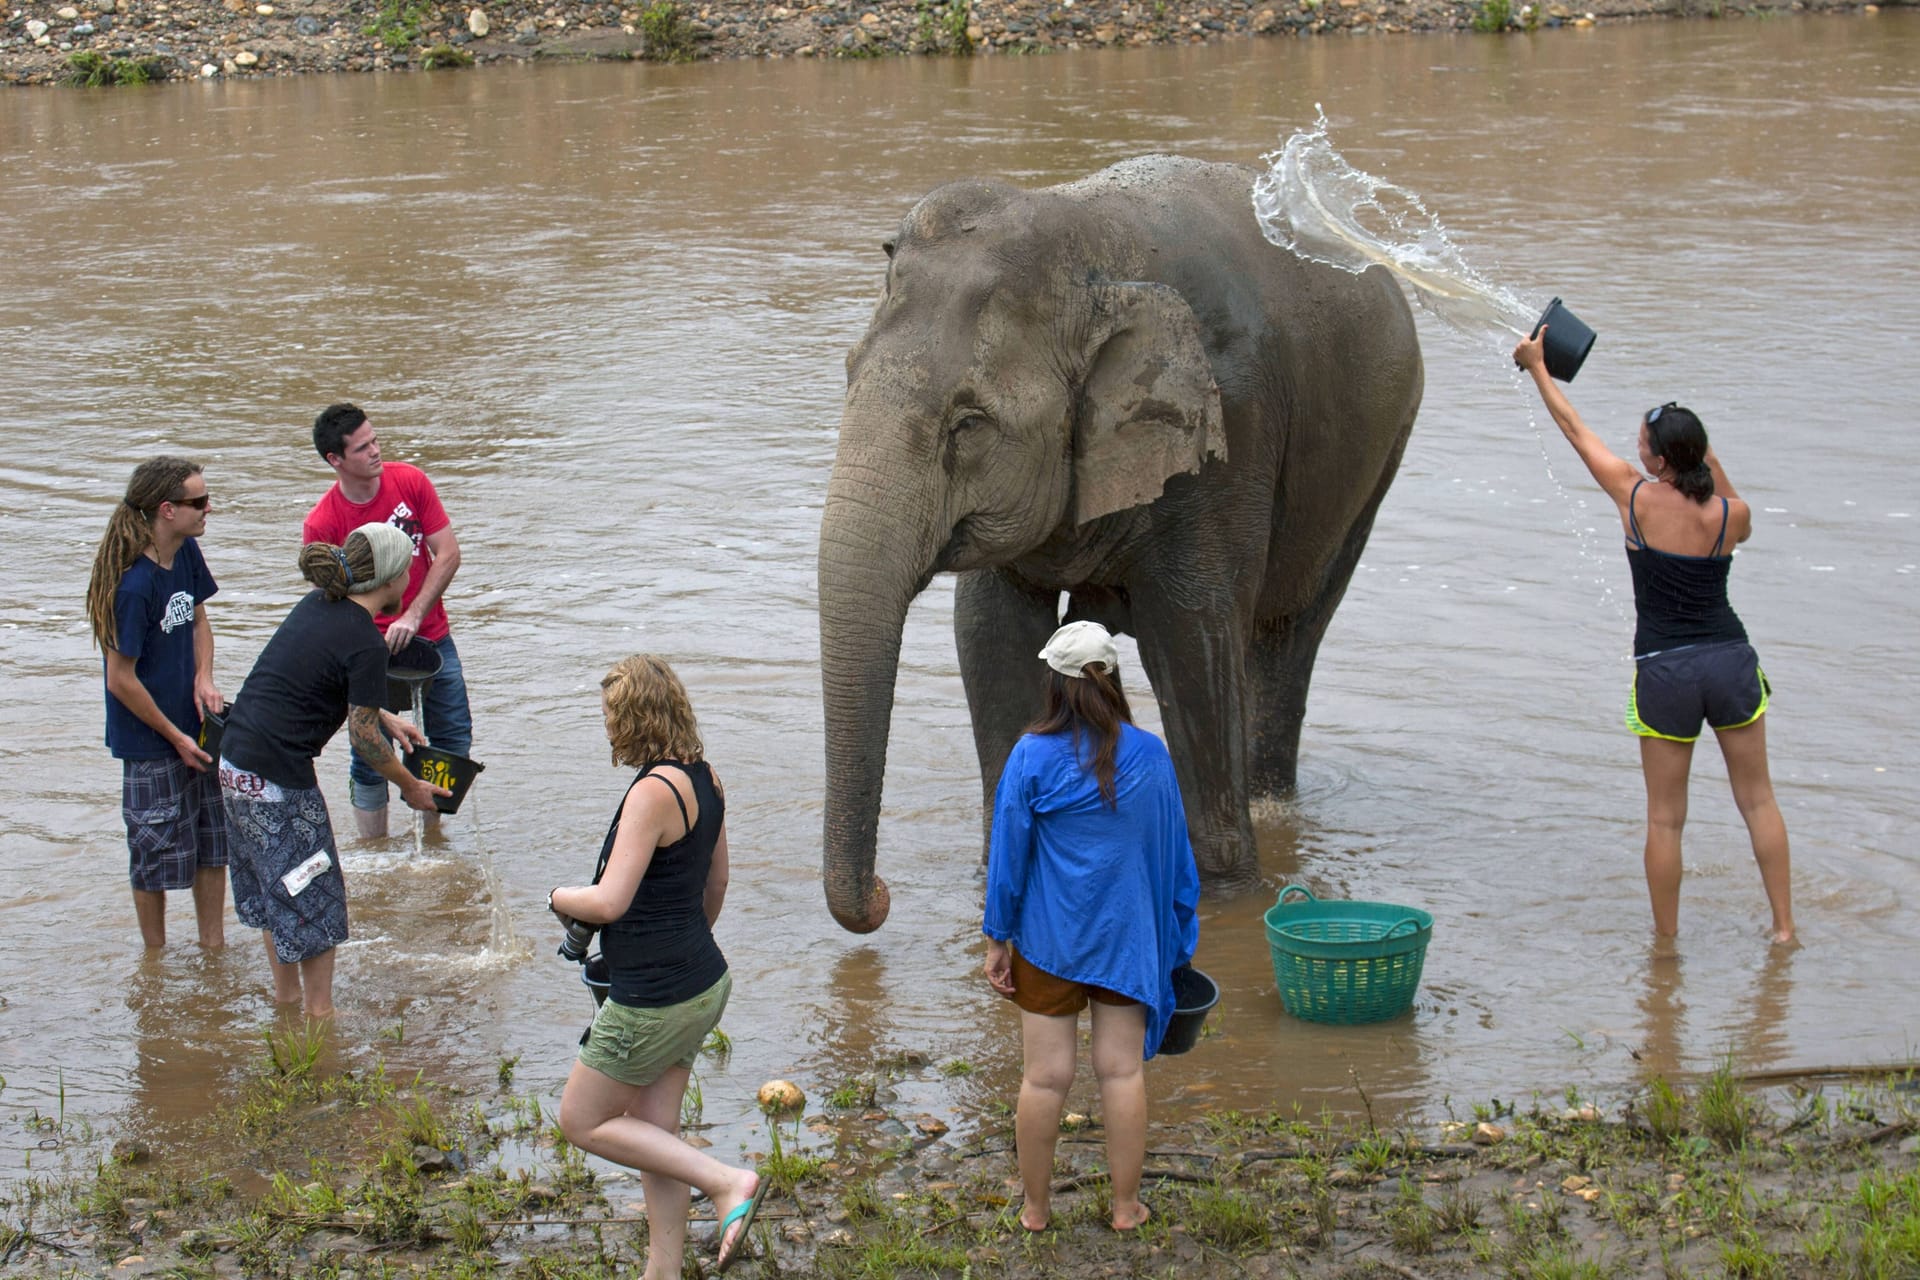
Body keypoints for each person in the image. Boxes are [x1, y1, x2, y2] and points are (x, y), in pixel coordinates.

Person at [1515, 329, 1794, 945]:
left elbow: (1573, 429)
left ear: (1658, 462)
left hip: (1666, 670)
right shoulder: (1731, 516)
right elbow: (1725, 494)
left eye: (1643, 443)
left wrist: (1538, 368)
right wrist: (1701, 449)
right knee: (1759, 802)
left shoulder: (1636, 498)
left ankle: (1666, 947)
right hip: (1729, 662)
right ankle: (1783, 929)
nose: (1635, 450)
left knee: (1666, 821)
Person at [982, 621, 1200, 1233]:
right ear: (1113, 682)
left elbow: (1008, 859)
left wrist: (997, 938)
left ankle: (1035, 1209)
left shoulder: (1030, 755)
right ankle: (1126, 1208)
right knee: (1122, 1072)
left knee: (1044, 1078)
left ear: (1055, 682)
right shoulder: (1151, 754)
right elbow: (1177, 859)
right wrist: (1178, 938)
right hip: (1129, 944)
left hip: (1050, 944)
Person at [551, 655, 765, 1278]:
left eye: (611, 716)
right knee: (654, 1133)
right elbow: (717, 882)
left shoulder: (651, 792)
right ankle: (662, 1270)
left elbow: (609, 900)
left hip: (653, 998)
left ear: (633, 718)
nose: (608, 729)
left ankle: (727, 1182)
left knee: (580, 1119)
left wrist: (556, 897)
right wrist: (686, 947)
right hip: (703, 980)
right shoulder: (706, 778)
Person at [217, 523, 449, 1018]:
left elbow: (317, 681)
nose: (411, 576)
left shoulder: (318, 606)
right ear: (391, 578)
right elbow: (363, 740)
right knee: (312, 889)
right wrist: (411, 787)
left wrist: (384, 714)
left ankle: (286, 1002)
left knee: (276, 888)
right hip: (278, 779)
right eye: (408, 567)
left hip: (235, 766)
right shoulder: (365, 640)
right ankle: (319, 1015)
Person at [302, 402, 472, 838]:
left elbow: (448, 553)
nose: (376, 451)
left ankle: (433, 839)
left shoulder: (409, 481)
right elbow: (327, 605)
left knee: (452, 738)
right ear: (334, 460)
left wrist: (414, 614)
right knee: (369, 749)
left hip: (431, 635)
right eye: (363, 448)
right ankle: (374, 848)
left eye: (375, 440)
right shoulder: (323, 523)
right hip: (368, 649)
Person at [86, 456, 229, 950]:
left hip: (198, 724)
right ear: (167, 509)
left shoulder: (186, 552)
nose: (209, 508)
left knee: (214, 843)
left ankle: (214, 947)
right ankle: (155, 956)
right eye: (199, 502)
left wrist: (204, 678)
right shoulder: (132, 586)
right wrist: (174, 735)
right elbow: (119, 679)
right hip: (150, 740)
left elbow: (198, 621)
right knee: (154, 853)